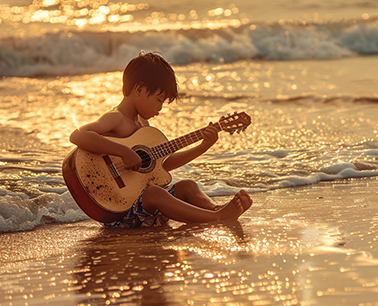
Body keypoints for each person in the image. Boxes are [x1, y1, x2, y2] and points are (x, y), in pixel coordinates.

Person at [69, 51, 252, 227]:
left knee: (187, 186)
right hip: (119, 212)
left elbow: (160, 166)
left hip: (144, 212)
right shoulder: (116, 117)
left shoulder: (143, 126)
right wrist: (123, 151)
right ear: (139, 89)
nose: (160, 108)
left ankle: (214, 209)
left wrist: (202, 147)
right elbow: (78, 135)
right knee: (154, 193)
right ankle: (216, 217)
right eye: (158, 100)